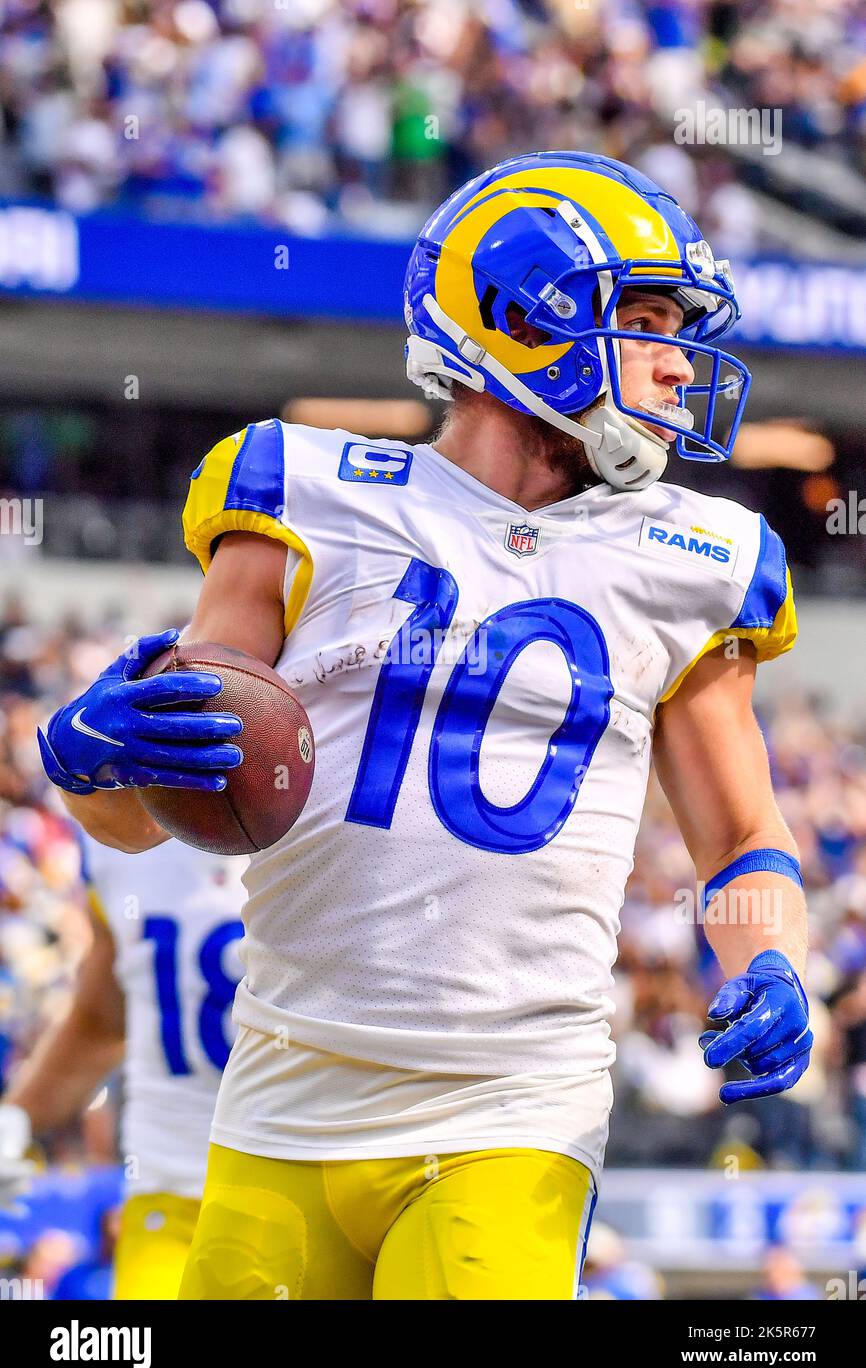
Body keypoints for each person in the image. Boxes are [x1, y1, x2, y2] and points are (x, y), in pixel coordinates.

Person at [38, 152, 812, 1301]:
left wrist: (770, 957)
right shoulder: (301, 489)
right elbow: (156, 814)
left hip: (510, 1102)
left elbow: (741, 834)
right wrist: (86, 756)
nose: (670, 358)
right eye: (641, 318)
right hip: (282, 1089)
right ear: (519, 315)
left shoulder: (694, 558)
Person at [0, 834, 246, 1298]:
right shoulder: (111, 831)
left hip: (316, 1164)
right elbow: (101, 1021)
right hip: (170, 1191)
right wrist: (13, 1124)